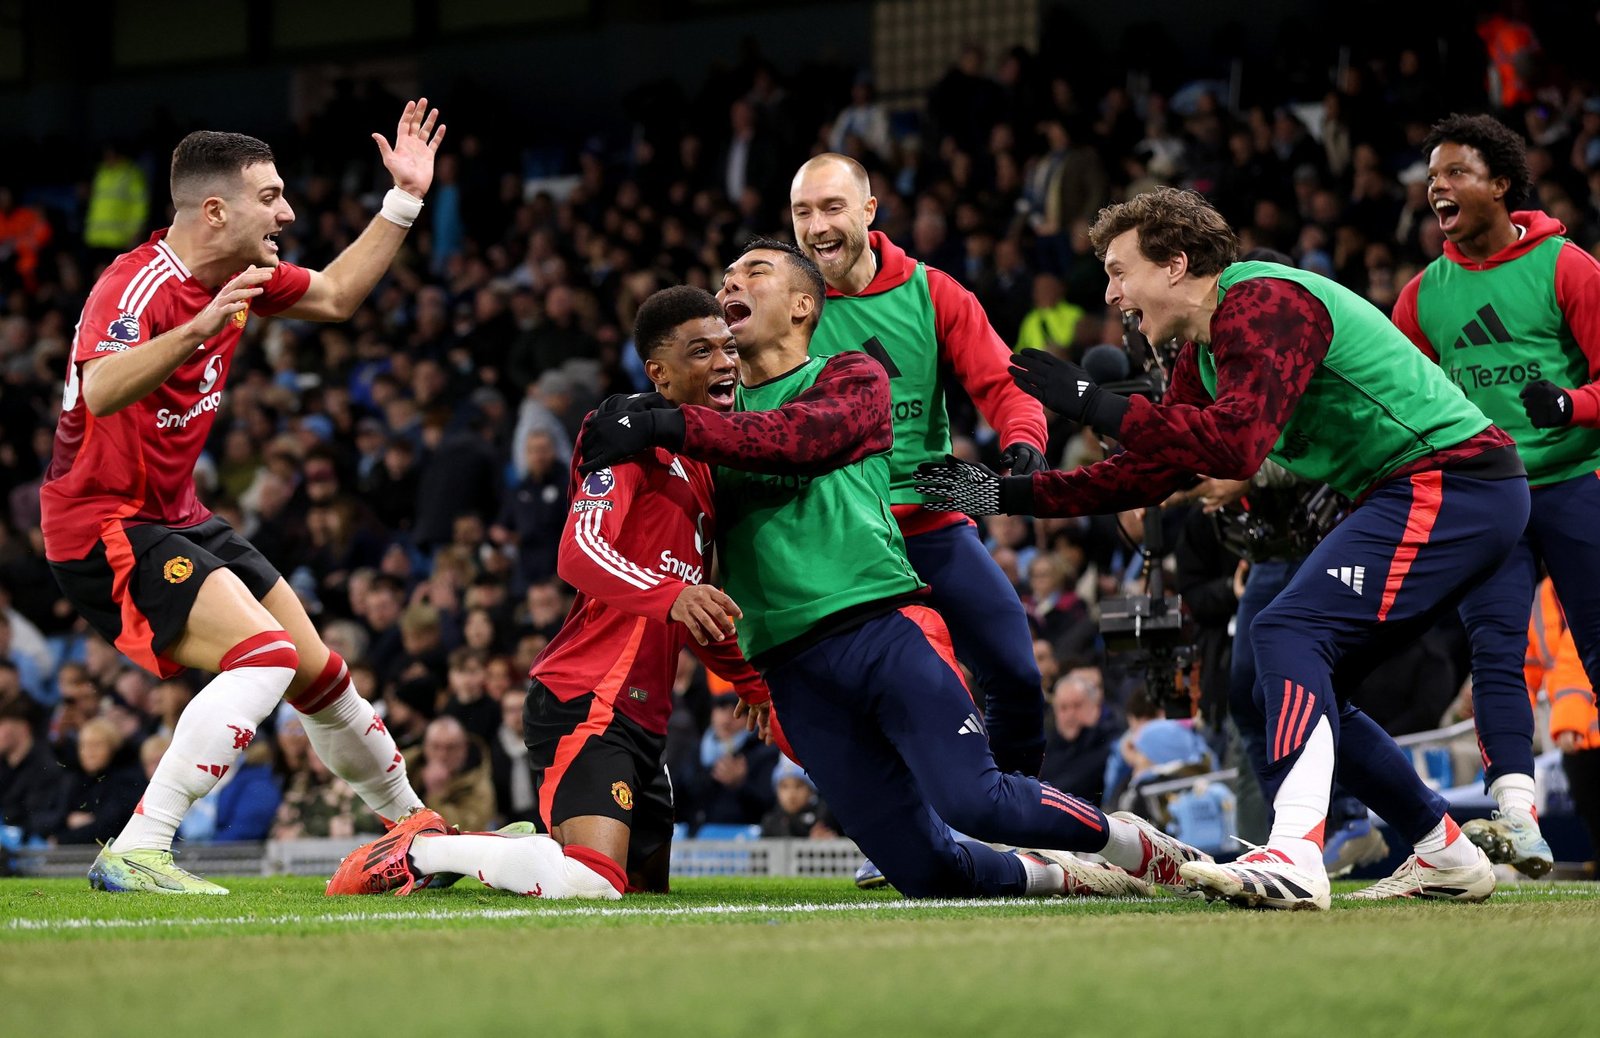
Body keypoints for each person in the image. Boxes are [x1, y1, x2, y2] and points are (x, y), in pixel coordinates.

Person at [916, 187, 1521, 909]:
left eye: (1118, 271)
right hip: (1425, 489)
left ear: (1175, 264)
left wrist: (1090, 400)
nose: (1111, 295)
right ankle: (1444, 852)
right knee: (1299, 680)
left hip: (1452, 480)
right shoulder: (1201, 355)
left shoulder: (1262, 302)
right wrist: (997, 496)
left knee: (1286, 631)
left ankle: (1296, 854)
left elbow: (1237, 447)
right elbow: (1147, 470)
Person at [576, 239, 1205, 901]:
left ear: (801, 305)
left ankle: (1132, 843)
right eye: (726, 275)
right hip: (790, 670)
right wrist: (631, 416)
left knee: (977, 801)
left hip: (877, 628)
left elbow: (798, 442)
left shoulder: (850, 377)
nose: (730, 283)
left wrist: (662, 423)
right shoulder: (706, 422)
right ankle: (1061, 876)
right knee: (924, 872)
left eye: (754, 273)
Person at [42, 101, 447, 893]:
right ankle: (141, 847)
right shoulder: (135, 283)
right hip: (102, 526)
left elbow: (334, 296)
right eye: (271, 197)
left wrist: (403, 200)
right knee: (261, 654)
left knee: (318, 673)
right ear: (216, 209)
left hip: (176, 515)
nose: (289, 212)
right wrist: (197, 328)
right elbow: (103, 387)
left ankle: (411, 828)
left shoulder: (240, 276)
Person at [328, 285, 772, 900]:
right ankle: (420, 846)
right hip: (584, 696)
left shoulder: (703, 471)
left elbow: (696, 601)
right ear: (660, 374)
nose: (725, 362)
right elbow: (578, 551)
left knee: (642, 901)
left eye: (727, 347)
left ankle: (517, 849)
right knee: (594, 884)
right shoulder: (627, 444)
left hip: (644, 716)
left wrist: (751, 684)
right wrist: (671, 595)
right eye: (702, 351)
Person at [789, 154, 1051, 778]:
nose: (818, 226)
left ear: (869, 211)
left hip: (930, 519)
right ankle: (911, 833)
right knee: (878, 694)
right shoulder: (784, 303)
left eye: (832, 208)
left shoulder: (931, 291)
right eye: (803, 212)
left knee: (1015, 668)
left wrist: (1024, 442)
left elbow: (1005, 383)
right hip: (837, 536)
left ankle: (1020, 813)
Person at [1391, 112, 1600, 877]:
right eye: (1433, 176)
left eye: (1457, 173)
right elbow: (1398, 404)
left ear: (1502, 184)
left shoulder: (1568, 267)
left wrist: (1571, 406)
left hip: (1579, 480)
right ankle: (1517, 820)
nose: (1438, 187)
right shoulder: (1420, 299)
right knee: (1494, 653)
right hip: (1488, 496)